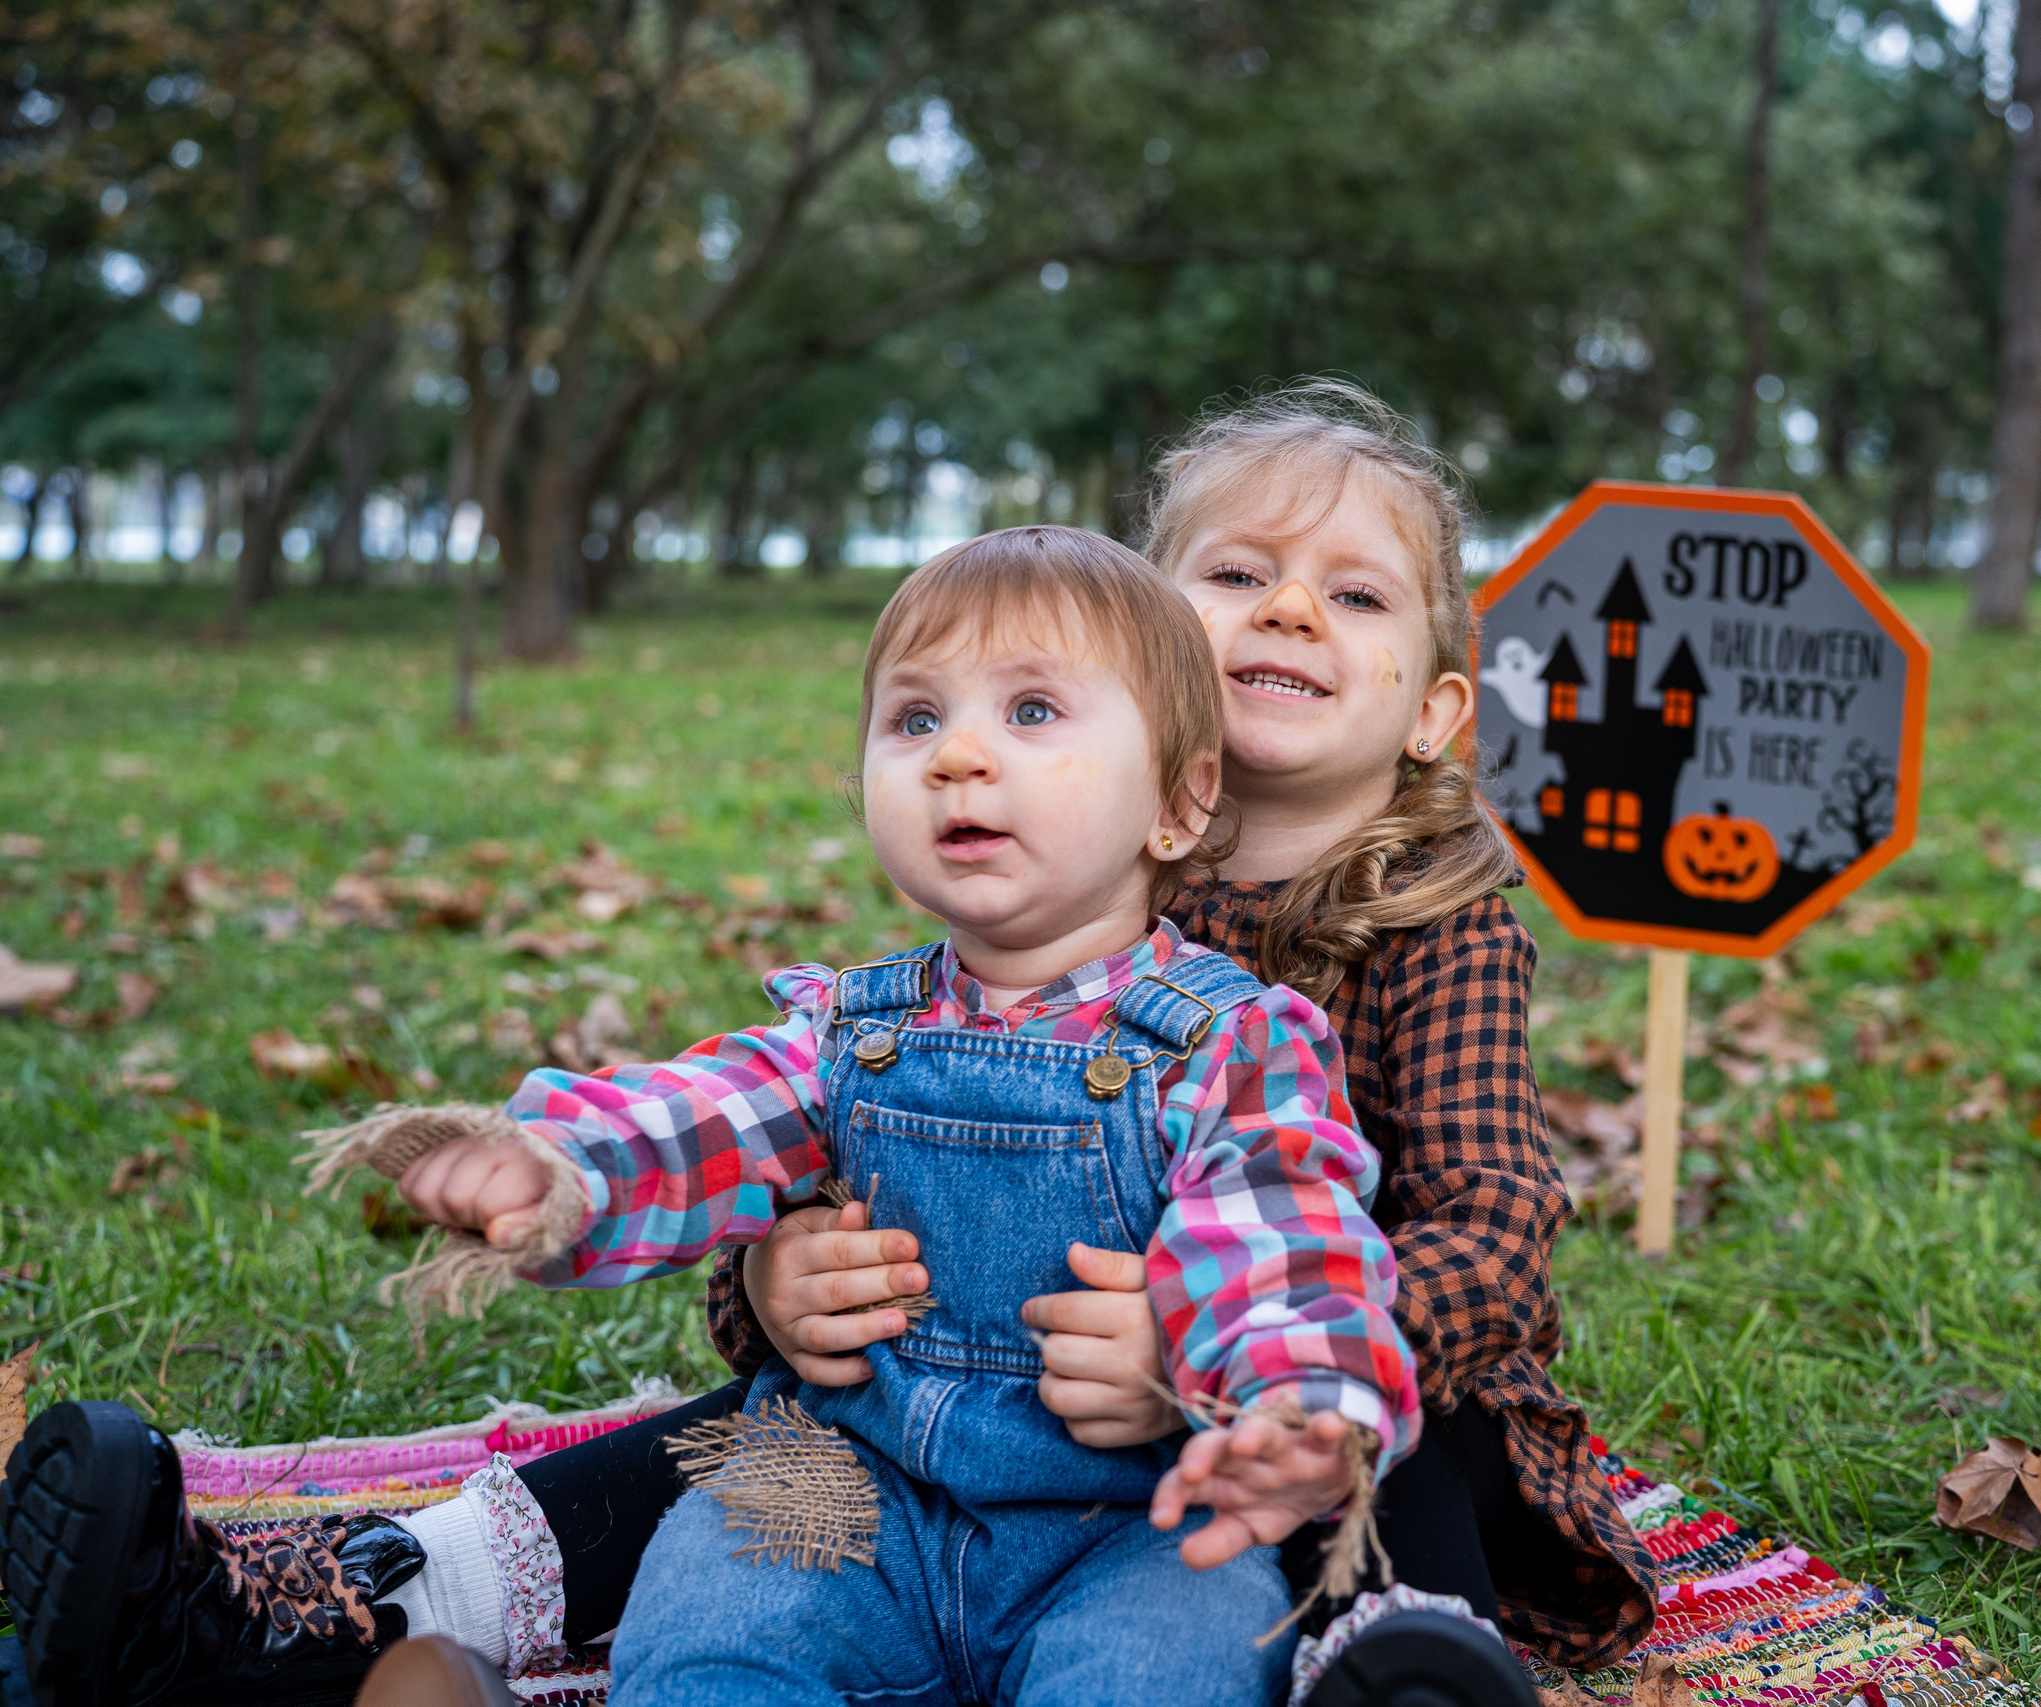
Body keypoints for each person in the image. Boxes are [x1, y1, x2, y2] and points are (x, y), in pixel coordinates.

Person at [1, 381, 1655, 1707]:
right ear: (1152, 651)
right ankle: (328, 1606)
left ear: (1435, 705)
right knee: (744, 1457)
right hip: (936, 1408)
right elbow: (761, 1125)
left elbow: (1490, 1237)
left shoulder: (1420, 926)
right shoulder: (1027, 881)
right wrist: (771, 1282)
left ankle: (1397, 1664)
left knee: (1353, 1474)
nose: (1286, 609)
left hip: (1289, 1399)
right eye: (1233, 577)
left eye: (1350, 594)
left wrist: (1214, 1346)